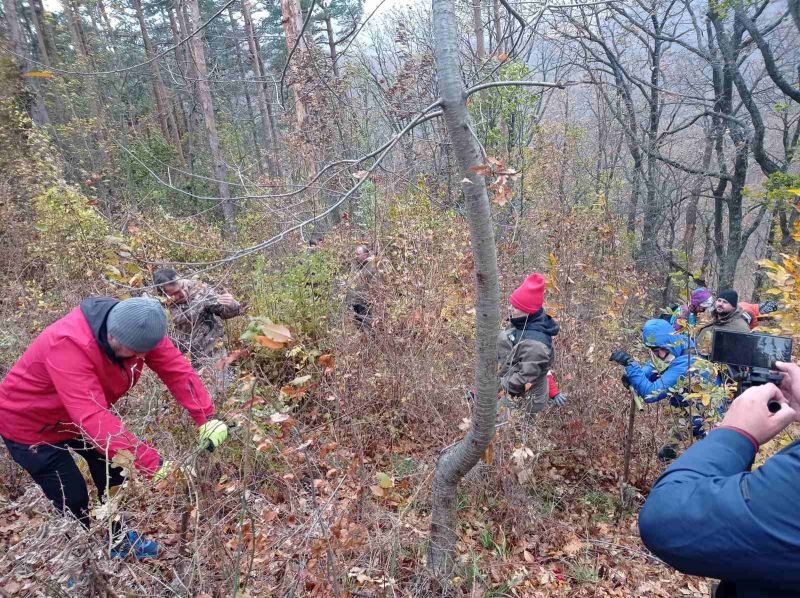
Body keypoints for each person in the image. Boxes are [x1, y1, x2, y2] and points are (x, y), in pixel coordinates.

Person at [0, 297, 229, 558]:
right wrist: (153, 464)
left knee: (115, 473)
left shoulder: (142, 326)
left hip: (75, 417)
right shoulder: (68, 344)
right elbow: (93, 418)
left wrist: (206, 417)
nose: (140, 358)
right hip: (29, 425)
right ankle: (82, 559)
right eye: (133, 353)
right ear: (111, 335)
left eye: (143, 353)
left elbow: (176, 369)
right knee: (71, 495)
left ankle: (117, 539)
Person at [638, 361, 800, 598]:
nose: (657, 355)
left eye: (658, 350)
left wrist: (735, 436)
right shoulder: (678, 360)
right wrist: (636, 368)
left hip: (703, 429)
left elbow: (664, 519)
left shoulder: (686, 363)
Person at [610, 319, 720, 461]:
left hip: (705, 423)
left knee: (692, 463)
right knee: (666, 456)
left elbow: (650, 394)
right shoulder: (679, 344)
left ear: (669, 341)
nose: (661, 355)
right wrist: (637, 376)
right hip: (688, 417)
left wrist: (631, 365)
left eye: (662, 350)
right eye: (655, 351)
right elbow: (654, 365)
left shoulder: (687, 363)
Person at [497, 273, 562, 418]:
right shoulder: (521, 322)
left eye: (514, 307)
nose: (509, 308)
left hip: (526, 399)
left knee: (506, 426)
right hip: (509, 385)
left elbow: (524, 379)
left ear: (527, 310)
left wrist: (492, 389)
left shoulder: (536, 344)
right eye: (511, 304)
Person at [152, 269, 242, 370]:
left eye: (182, 287)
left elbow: (225, 313)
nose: (183, 293)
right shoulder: (156, 308)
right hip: (181, 362)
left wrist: (231, 305)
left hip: (213, 354)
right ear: (163, 295)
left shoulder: (200, 290)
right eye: (175, 293)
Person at [695, 290, 752, 354]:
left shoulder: (741, 327)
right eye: (719, 300)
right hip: (696, 354)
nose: (720, 304)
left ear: (733, 307)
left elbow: (743, 352)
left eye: (725, 302)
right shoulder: (708, 317)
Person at [345, 245, 381, 327]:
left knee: (367, 323)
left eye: (358, 254)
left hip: (364, 300)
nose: (356, 256)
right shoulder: (356, 263)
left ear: (365, 255)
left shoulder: (372, 264)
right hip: (354, 300)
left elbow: (376, 281)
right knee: (358, 323)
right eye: (355, 254)